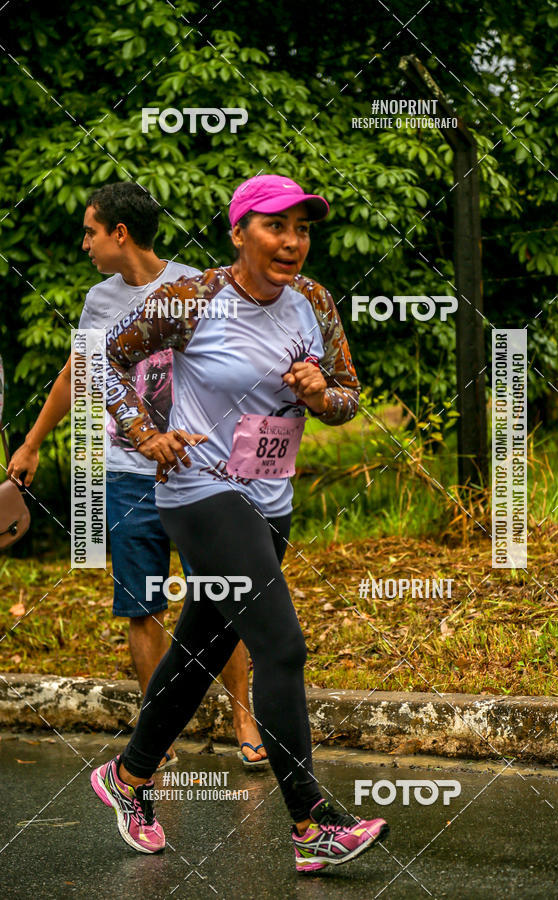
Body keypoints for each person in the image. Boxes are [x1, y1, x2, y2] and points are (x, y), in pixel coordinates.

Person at [90, 174, 389, 872]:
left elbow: (347, 398)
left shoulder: (314, 302)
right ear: (239, 232)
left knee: (196, 651)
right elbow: (107, 359)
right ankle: (311, 822)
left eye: (303, 229)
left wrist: (323, 394)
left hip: (269, 503)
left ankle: (128, 778)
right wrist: (144, 432)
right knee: (281, 647)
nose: (292, 242)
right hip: (201, 494)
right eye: (275, 227)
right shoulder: (194, 299)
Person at [7, 181, 268, 768]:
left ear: (119, 234)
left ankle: (243, 715)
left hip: (197, 474)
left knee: (219, 596)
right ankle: (159, 731)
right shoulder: (99, 301)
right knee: (140, 605)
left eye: (90, 232)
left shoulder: (198, 289)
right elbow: (79, 372)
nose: (85, 244)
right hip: (126, 473)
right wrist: (32, 442)